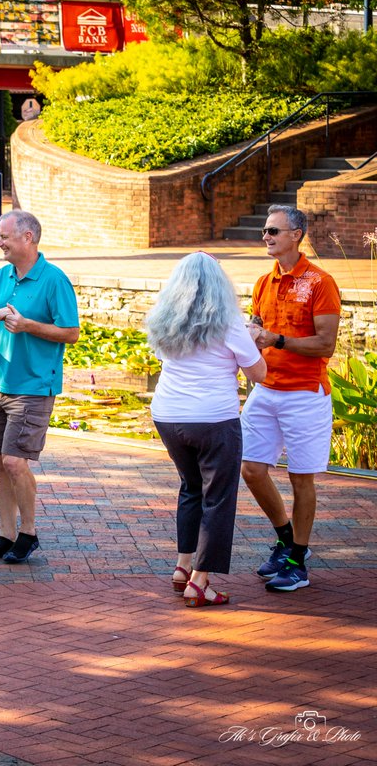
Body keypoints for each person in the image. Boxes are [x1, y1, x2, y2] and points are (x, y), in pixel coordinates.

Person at [146, 253, 267, 608]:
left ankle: (183, 565)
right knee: (219, 497)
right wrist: (254, 340)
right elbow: (257, 374)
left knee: (191, 487)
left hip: (168, 415)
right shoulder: (230, 322)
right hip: (213, 418)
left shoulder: (165, 318)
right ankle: (200, 582)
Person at [241, 205, 341, 593]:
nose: (266, 236)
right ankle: (286, 537)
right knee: (251, 469)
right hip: (266, 389)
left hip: (304, 394)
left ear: (296, 234)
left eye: (273, 231)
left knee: (301, 478)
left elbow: (325, 344)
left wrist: (276, 340)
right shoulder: (264, 282)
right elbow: (258, 326)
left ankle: (298, 562)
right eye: (264, 231)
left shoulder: (320, 282)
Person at [0, 210, 79, 565]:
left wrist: (29, 325)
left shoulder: (54, 280)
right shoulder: (2, 275)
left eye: (4, 237)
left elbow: (71, 333)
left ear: (28, 238)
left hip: (33, 385)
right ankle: (5, 535)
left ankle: (28, 533)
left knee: (16, 462)